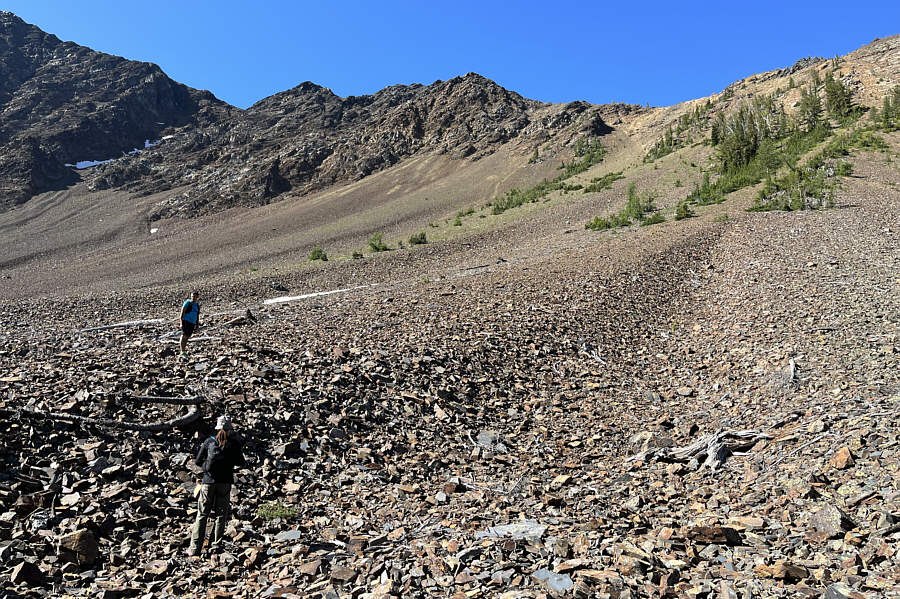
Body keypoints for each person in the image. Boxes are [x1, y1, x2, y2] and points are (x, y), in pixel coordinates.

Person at [187, 415, 245, 557]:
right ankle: (215, 546)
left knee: (202, 514)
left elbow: (197, 461)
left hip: (208, 482)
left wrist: (207, 468)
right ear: (230, 429)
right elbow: (241, 462)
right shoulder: (234, 443)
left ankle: (194, 548)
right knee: (221, 515)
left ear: (218, 427)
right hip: (225, 482)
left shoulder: (209, 441)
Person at [179, 290, 201, 355]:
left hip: (192, 323)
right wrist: (181, 323)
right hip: (186, 321)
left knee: (187, 336)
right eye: (192, 296)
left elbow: (197, 316)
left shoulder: (197, 305)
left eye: (195, 296)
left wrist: (197, 325)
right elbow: (182, 313)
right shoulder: (187, 303)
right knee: (184, 336)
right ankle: (182, 351)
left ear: (197, 297)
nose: (193, 298)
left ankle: (183, 350)